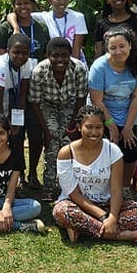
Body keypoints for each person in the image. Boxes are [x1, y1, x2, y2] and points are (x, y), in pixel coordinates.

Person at [52, 105, 137, 245]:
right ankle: (121, 235)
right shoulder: (66, 153)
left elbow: (116, 189)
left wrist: (112, 218)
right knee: (61, 212)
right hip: (76, 205)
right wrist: (103, 217)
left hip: (107, 204)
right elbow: (74, 195)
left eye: (98, 127)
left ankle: (82, 227)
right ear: (78, 127)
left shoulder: (113, 151)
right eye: (89, 127)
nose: (94, 132)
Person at [0, 0, 49, 188]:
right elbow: (0, 55)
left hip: (36, 89)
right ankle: (17, 173)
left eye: (26, 3)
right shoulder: (6, 28)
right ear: (13, 6)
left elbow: (45, 56)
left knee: (36, 135)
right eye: (18, 3)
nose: (23, 7)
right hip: (13, 89)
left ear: (33, 4)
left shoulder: (41, 28)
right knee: (16, 134)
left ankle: (34, 173)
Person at [28, 37, 88, 201]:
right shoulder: (39, 71)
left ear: (70, 55)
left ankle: (68, 185)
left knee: (69, 142)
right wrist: (46, 131)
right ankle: (49, 186)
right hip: (48, 106)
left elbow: (81, 98)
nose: (60, 60)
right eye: (55, 56)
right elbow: (35, 103)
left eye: (64, 55)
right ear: (48, 55)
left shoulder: (79, 69)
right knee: (54, 141)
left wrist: (73, 125)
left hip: (71, 106)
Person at [89, 27, 137, 196]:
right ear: (107, 49)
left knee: (130, 148)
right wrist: (111, 125)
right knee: (106, 148)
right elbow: (97, 100)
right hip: (103, 112)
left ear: (130, 45)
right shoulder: (99, 67)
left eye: (122, 46)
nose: (118, 51)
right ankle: (103, 187)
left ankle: (125, 187)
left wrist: (128, 127)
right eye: (113, 48)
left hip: (128, 112)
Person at [94, 0, 137, 104]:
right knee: (106, 119)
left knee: (131, 117)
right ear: (107, 0)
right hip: (108, 79)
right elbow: (98, 54)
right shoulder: (101, 23)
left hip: (133, 77)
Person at [6, 0, 87, 64]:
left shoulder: (78, 17)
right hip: (56, 64)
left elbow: (77, 49)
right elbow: (12, 15)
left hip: (75, 63)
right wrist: (16, 29)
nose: (62, 2)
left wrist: (73, 68)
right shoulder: (44, 17)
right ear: (50, 0)